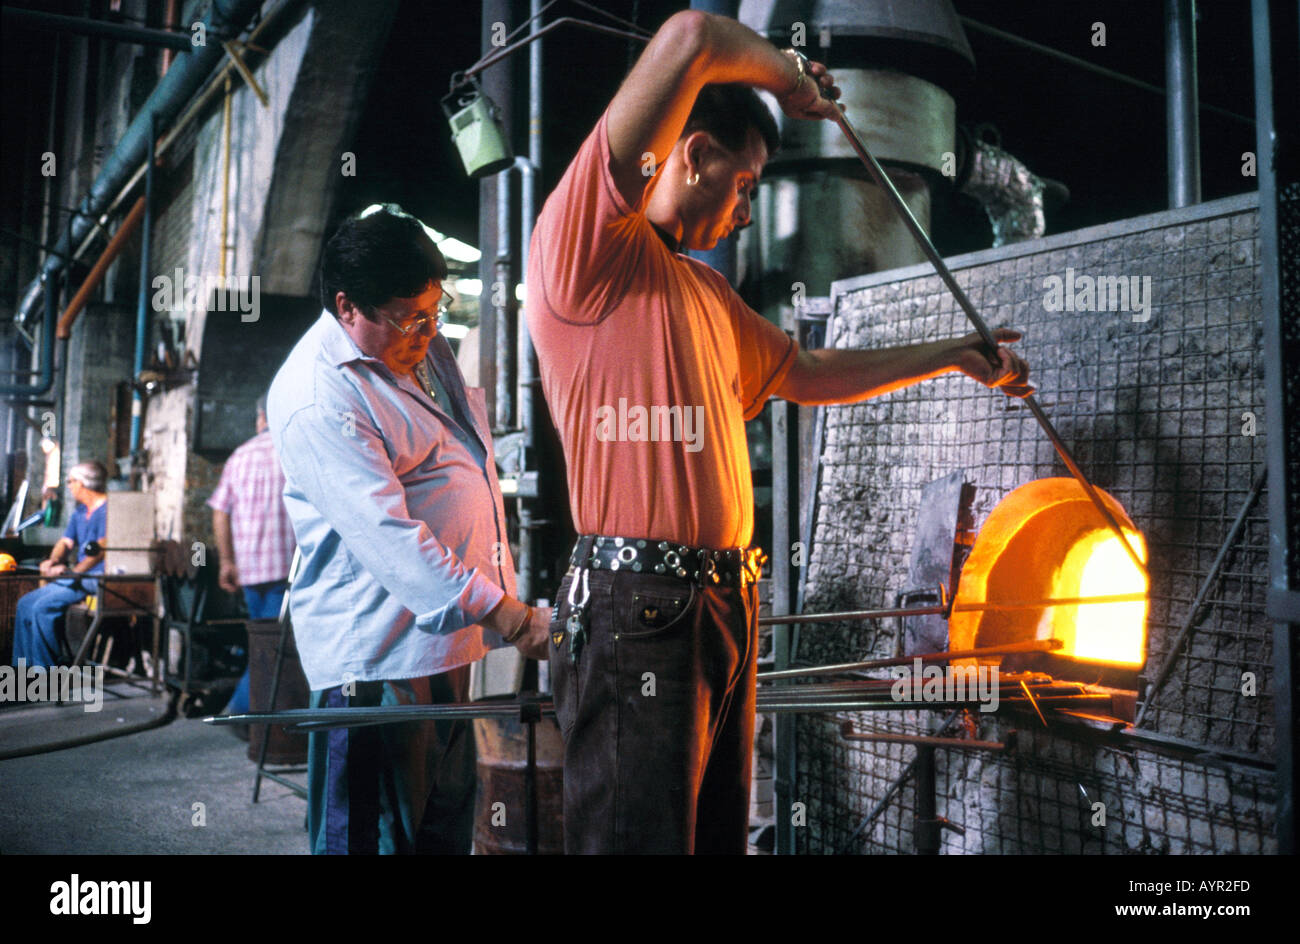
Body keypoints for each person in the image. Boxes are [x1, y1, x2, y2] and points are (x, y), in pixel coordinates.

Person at [527, 10, 1032, 854]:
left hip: (723, 602)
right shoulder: (586, 257)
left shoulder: (706, 297)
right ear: (692, 156)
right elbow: (689, 36)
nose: (746, 214)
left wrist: (949, 354)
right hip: (638, 611)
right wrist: (786, 79)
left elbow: (806, 373)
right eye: (744, 185)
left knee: (711, 836)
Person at [268, 204, 551, 855]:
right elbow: (389, 537)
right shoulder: (321, 395)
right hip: (376, 661)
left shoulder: (418, 351)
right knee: (370, 837)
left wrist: (491, 612)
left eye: (436, 309)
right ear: (347, 307)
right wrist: (509, 616)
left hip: (443, 646)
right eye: (409, 316)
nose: (427, 330)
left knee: (441, 824)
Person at [208, 394, 296, 718]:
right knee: (275, 648)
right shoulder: (295, 449)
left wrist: (226, 562)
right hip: (287, 569)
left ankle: (262, 716)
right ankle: (242, 711)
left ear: (261, 418)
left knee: (263, 641)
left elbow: (220, 512)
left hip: (249, 571)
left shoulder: (238, 456)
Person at [11, 461, 109, 668]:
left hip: (96, 577)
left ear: (83, 483)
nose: (69, 486)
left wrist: (73, 572)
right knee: (25, 604)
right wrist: (53, 560)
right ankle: (22, 668)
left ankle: (45, 673)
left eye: (71, 481)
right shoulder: (80, 512)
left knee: (42, 608)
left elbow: (102, 549)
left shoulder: (109, 510)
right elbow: (65, 542)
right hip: (78, 577)